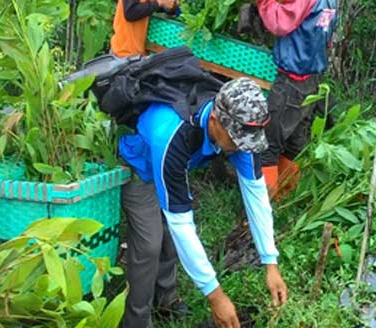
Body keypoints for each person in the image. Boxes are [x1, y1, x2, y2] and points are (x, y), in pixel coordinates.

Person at [119, 77, 288, 328]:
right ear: (215, 121)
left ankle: (166, 301)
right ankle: (135, 321)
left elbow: (256, 196)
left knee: (169, 238)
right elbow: (182, 224)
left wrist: (270, 262)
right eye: (236, 141)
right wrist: (215, 295)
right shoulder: (174, 134)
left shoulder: (241, 137)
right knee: (149, 245)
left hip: (175, 164)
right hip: (139, 164)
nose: (240, 148)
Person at [252, 0, 337, 198]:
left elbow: (279, 23)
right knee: (295, 143)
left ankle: (266, 207)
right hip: (312, 81)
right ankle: (287, 200)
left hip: (291, 80)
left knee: (269, 143)